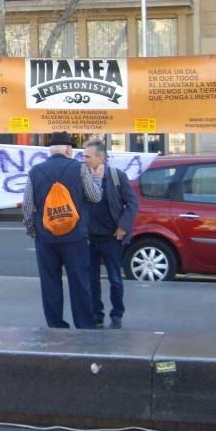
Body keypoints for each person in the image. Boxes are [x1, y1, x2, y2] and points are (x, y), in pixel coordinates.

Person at [23, 131, 103, 329]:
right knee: (79, 282)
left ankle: (56, 324)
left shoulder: (35, 171)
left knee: (50, 283)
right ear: (68, 149)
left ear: (50, 151)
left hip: (46, 237)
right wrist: (98, 179)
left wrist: (34, 230)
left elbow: (27, 206)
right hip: (75, 237)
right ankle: (84, 324)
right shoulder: (80, 168)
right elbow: (95, 197)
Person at [82, 139, 139, 329]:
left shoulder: (117, 176)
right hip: (89, 238)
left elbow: (132, 204)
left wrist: (123, 228)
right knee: (91, 280)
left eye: (87, 156)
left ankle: (117, 315)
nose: (84, 159)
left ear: (100, 158)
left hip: (111, 238)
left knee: (115, 279)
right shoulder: (83, 177)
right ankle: (96, 315)